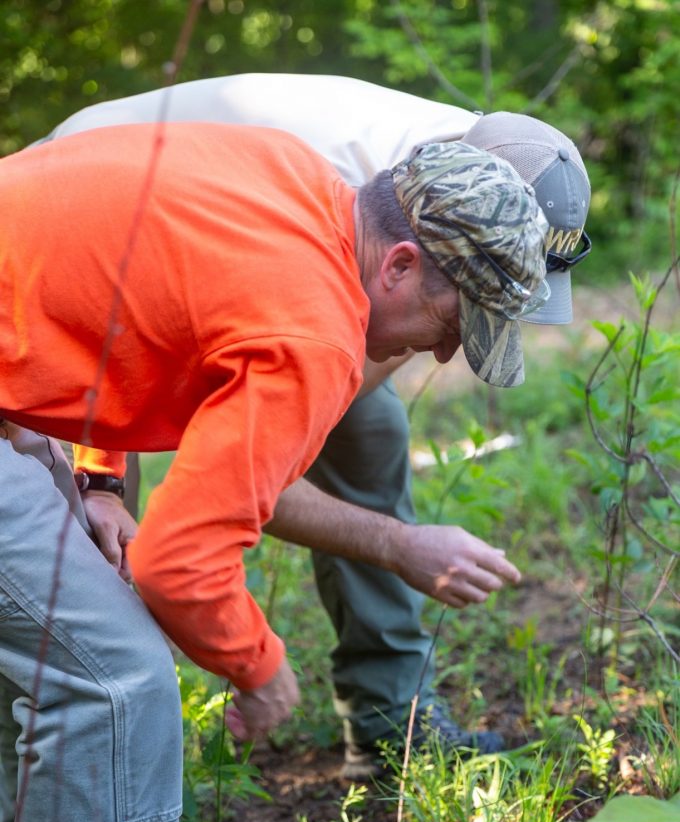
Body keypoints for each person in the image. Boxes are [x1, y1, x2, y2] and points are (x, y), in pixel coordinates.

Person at [0, 122, 549, 822]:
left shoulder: (292, 179)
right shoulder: (317, 328)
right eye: (453, 326)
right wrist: (259, 667)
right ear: (401, 265)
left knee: (49, 624)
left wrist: (92, 476)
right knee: (117, 678)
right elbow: (177, 560)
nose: (445, 355)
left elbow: (108, 296)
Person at [44, 74, 592, 778]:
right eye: (476, 301)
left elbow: (323, 399)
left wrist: (387, 535)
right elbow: (227, 457)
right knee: (86, 534)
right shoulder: (347, 197)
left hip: (184, 255)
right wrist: (106, 483)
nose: (449, 353)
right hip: (83, 216)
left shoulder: (443, 196)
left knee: (371, 431)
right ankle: (101, 744)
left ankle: (391, 716)